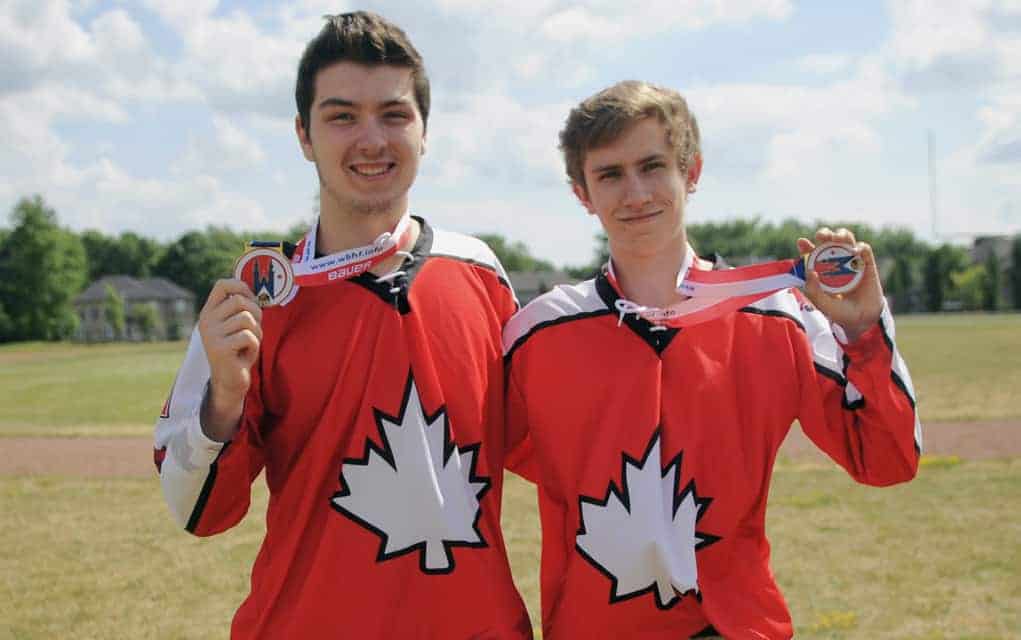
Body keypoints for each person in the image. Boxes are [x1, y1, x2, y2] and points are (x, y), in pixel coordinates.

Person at [154, 12, 532, 639]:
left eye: (393, 114)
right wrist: (223, 397)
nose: (372, 139)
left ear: (425, 131)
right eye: (342, 116)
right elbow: (195, 510)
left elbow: (558, 448)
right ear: (304, 135)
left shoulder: (480, 274)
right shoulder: (258, 297)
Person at [502, 81, 922, 639]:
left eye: (653, 166)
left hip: (735, 625)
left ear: (691, 172)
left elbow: (886, 459)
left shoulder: (775, 315)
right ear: (582, 192)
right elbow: (508, 451)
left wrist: (862, 331)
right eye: (610, 174)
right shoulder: (541, 331)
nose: (635, 193)